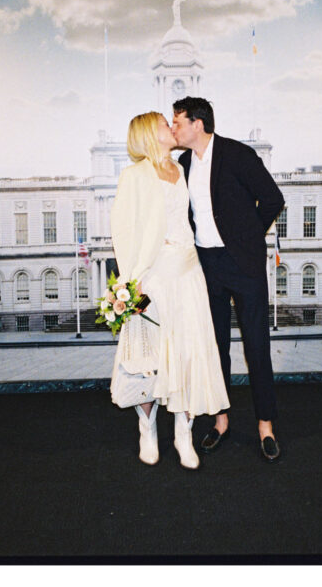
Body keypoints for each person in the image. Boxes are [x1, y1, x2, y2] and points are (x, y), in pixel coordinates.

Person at [109, 111, 230, 469]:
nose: (171, 127)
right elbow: (124, 231)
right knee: (148, 359)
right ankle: (147, 428)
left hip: (189, 272)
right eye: (165, 123)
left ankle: (183, 432)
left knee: (189, 354)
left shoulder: (183, 168)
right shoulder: (133, 176)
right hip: (154, 275)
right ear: (150, 133)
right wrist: (131, 285)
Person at [171, 96, 285, 463]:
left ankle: (265, 426)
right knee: (215, 347)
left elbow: (272, 199)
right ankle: (221, 421)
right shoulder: (182, 164)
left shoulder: (237, 155)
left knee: (256, 347)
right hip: (207, 265)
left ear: (197, 124)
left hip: (244, 263)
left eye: (178, 121)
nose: (174, 128)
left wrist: (247, 237)